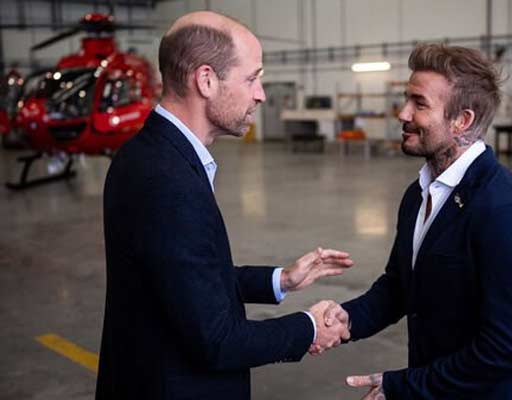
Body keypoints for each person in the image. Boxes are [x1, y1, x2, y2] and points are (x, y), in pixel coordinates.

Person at [96, 11, 352, 400]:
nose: (260, 94)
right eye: (251, 79)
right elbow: (217, 341)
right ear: (206, 80)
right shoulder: (168, 180)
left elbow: (185, 278)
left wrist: (281, 280)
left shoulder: (150, 154)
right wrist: (311, 326)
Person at [322, 44, 512, 399]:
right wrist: (348, 319)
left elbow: (507, 350)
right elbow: (401, 286)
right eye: (406, 99)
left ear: (462, 121)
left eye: (419, 103)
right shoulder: (418, 194)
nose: (402, 113)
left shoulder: (505, 212)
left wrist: (403, 387)